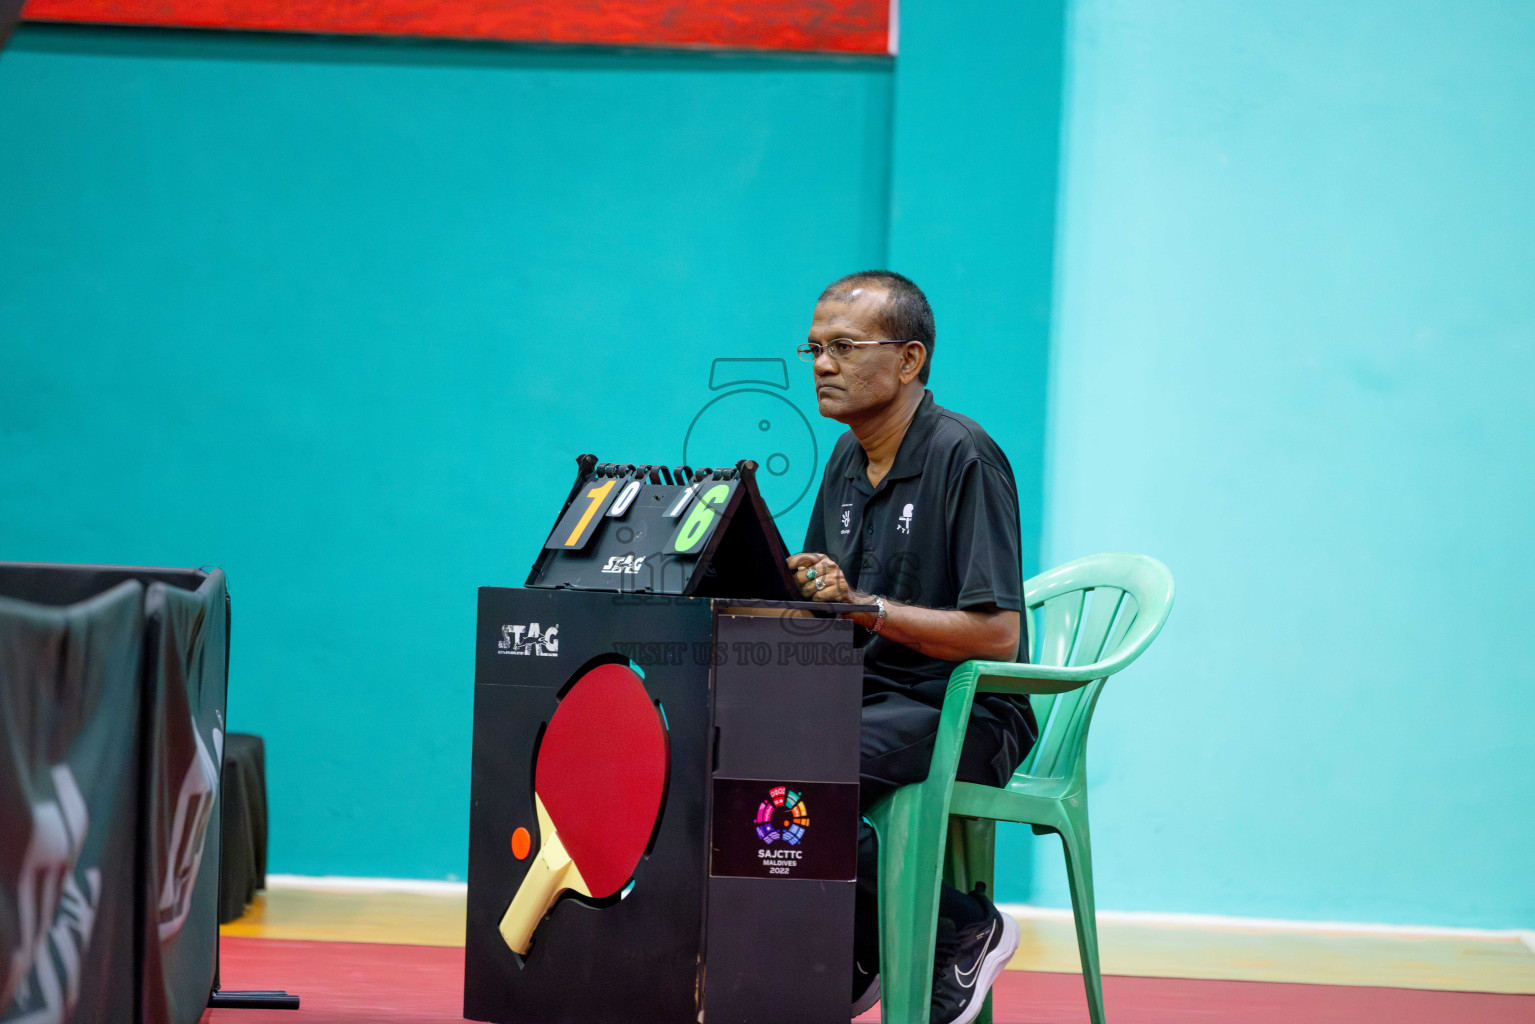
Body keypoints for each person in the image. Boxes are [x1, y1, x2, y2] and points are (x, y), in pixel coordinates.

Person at [787, 270, 1036, 1024]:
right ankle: (871, 942)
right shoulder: (840, 457)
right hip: (868, 699)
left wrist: (864, 608)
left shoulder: (964, 455)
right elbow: (828, 608)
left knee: (793, 775)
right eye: (813, 350)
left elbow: (998, 633)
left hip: (965, 710)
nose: (823, 365)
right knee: (729, 752)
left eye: (843, 347)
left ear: (908, 359)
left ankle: (958, 923)